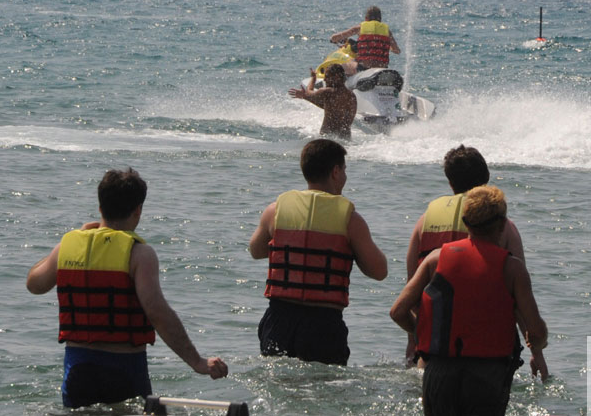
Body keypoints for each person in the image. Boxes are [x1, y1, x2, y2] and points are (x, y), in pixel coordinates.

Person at [26, 168, 227, 408]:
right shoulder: (140, 254)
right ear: (138, 211)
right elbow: (157, 312)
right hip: (124, 371)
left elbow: (34, 284)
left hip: (78, 371)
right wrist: (197, 362)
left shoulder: (67, 246)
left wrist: (73, 240)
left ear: (100, 208)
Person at [390, 186, 549, 416]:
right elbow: (535, 332)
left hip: (439, 373)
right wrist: (540, 345)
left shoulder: (436, 258)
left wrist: (424, 333)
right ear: (502, 225)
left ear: (466, 223)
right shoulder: (513, 269)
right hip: (487, 377)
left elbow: (397, 311)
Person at [248, 139, 388, 365]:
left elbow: (255, 250)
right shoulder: (350, 220)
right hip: (323, 325)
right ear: (335, 171)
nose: (345, 176)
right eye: (344, 170)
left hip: (279, 321)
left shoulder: (275, 211)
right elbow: (379, 271)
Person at [404, 145, 525, 365]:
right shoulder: (503, 226)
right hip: (487, 349)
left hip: (434, 345)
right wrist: (537, 352)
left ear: (450, 182)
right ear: (487, 180)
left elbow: (412, 290)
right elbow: (518, 297)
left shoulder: (424, 221)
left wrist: (414, 338)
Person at [289, 63, 358, 140]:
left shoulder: (327, 91)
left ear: (337, 77)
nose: (325, 80)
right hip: (346, 137)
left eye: (327, 77)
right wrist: (305, 97)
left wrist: (313, 78)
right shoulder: (352, 96)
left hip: (327, 136)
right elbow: (330, 109)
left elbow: (309, 92)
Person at [329, 5, 401, 71]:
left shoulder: (359, 28)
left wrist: (333, 39)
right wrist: (386, 46)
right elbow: (397, 51)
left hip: (365, 67)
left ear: (366, 18)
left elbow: (335, 38)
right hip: (382, 67)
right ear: (380, 19)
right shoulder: (387, 31)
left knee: (345, 65)